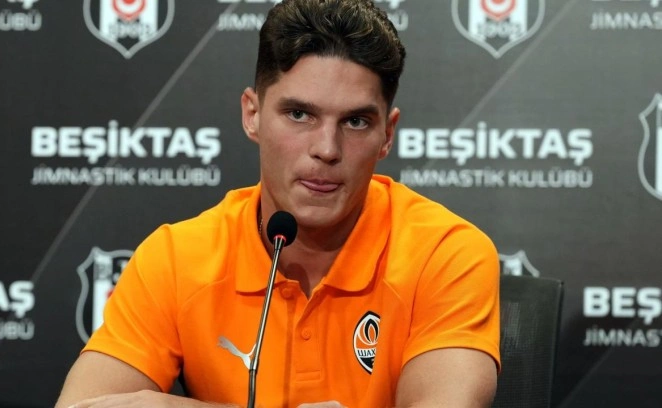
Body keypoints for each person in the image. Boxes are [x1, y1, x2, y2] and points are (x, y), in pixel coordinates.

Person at [55, 0, 500, 407]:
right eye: (299, 114)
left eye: (356, 121)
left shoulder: (446, 253)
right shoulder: (176, 258)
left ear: (387, 134)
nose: (326, 149)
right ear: (252, 114)